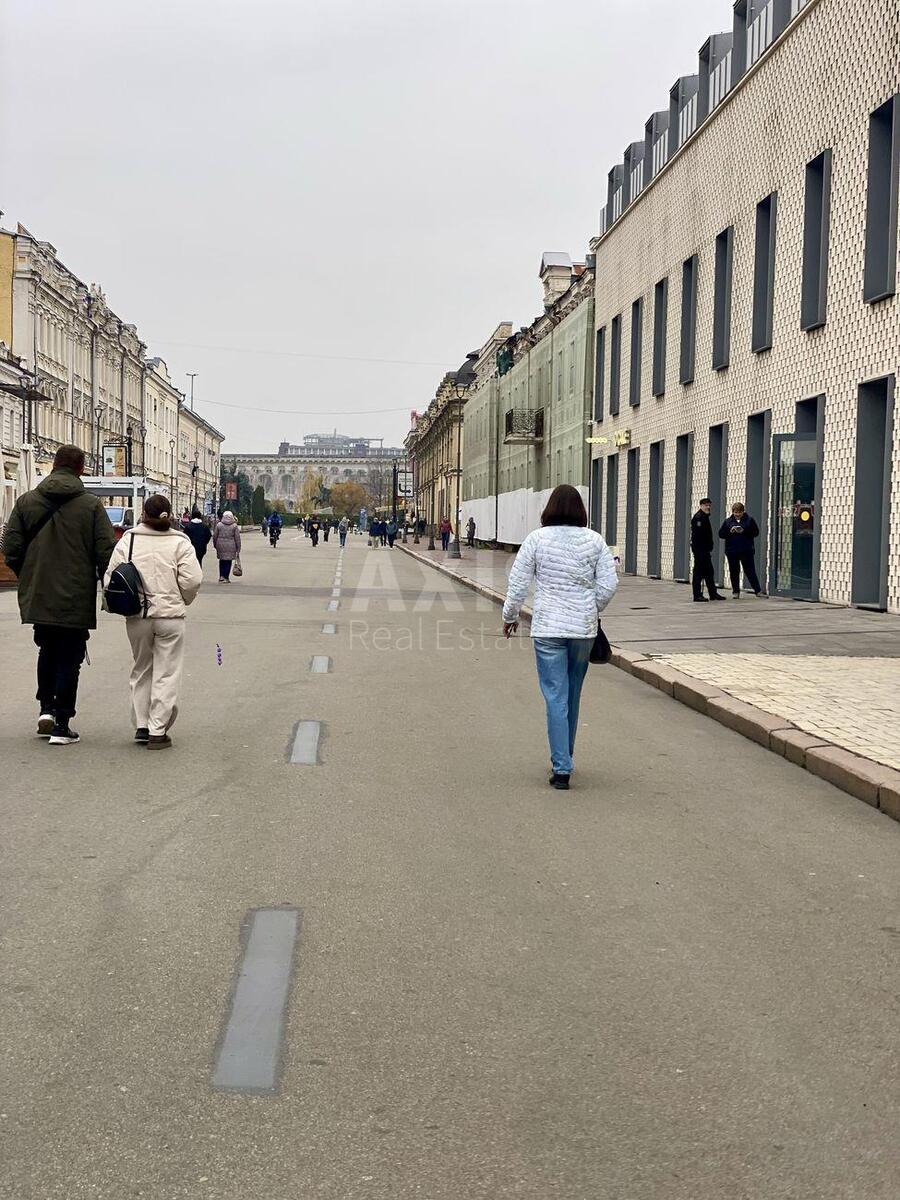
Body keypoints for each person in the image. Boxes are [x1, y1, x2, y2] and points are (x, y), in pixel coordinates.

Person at [502, 484, 617, 791]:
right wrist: (590, 607)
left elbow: (518, 583)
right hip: (582, 630)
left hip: (548, 628)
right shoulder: (595, 541)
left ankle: (562, 765)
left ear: (549, 509)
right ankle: (566, 755)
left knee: (555, 695)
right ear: (580, 510)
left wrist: (510, 616)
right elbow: (608, 585)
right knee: (573, 693)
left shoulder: (536, 539)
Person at [0, 444, 116, 746]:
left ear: (54, 464)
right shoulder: (91, 506)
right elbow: (106, 552)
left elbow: (10, 548)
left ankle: (46, 710)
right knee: (70, 657)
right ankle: (62, 725)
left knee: (47, 650)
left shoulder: (26, 501)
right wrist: (104, 584)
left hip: (39, 592)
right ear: (81, 469)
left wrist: (30, 575)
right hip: (76, 594)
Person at [104, 495, 203, 749]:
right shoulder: (180, 543)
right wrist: (183, 599)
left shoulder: (129, 541)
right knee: (166, 672)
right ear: (170, 515)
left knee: (142, 668)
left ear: (143, 515)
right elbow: (192, 580)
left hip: (138, 616)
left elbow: (111, 576)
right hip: (170, 618)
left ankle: (142, 725)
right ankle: (158, 729)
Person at [719, 503, 762, 598]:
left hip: (746, 550)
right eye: (735, 512)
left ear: (743, 511)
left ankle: (758, 590)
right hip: (732, 551)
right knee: (734, 571)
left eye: (739, 512)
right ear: (733, 512)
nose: (737, 514)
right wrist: (730, 531)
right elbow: (721, 534)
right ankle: (735, 591)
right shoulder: (728, 521)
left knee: (750, 571)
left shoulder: (749, 520)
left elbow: (756, 532)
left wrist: (744, 531)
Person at [690, 498, 725, 602]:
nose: (708, 507)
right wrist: (700, 551)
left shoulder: (704, 517)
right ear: (701, 506)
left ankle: (713, 593)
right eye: (706, 505)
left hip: (704, 550)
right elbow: (697, 537)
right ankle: (697, 595)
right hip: (700, 551)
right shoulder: (699, 518)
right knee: (699, 573)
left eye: (709, 505)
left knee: (709, 572)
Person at [213, 510, 242, 580]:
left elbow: (215, 536)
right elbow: (237, 538)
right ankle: (226, 577)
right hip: (231, 546)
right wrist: (238, 548)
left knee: (222, 560)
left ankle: (221, 576)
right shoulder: (234, 526)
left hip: (220, 545)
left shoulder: (219, 525)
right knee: (228, 561)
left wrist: (215, 544)